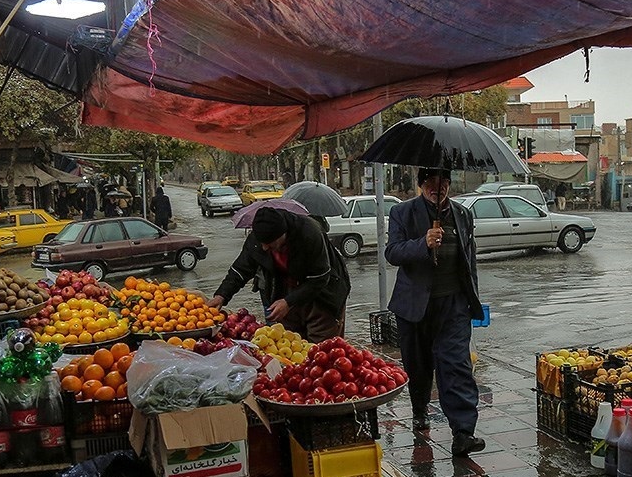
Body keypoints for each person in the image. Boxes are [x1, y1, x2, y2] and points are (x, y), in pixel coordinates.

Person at [385, 167, 485, 457]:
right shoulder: (402, 213)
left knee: (456, 365)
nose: (436, 187)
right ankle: (419, 410)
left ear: (449, 184)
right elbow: (392, 253)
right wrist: (423, 243)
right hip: (414, 306)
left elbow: (470, 260)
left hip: (453, 304)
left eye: (442, 182)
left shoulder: (463, 215)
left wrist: (472, 300)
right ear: (421, 185)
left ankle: (463, 432)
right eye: (430, 182)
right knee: (418, 365)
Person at [207, 207, 350, 343]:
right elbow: (241, 269)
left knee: (321, 351)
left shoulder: (309, 232)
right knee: (290, 346)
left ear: (283, 234)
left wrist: (288, 302)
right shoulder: (258, 238)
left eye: (270, 243)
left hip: (322, 296)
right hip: (286, 294)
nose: (265, 247)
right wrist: (222, 295)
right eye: (262, 243)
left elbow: (320, 277)